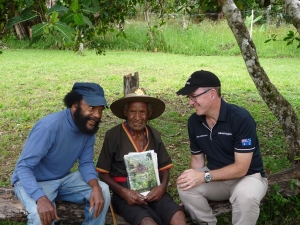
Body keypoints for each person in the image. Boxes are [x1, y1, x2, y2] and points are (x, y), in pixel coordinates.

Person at [176, 70, 268, 225]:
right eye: (189, 98)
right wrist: (193, 183)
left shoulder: (241, 119)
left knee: (247, 197)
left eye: (193, 96)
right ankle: (206, 222)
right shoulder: (194, 122)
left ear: (212, 93)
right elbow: (197, 161)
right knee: (185, 184)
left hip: (248, 177)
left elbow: (241, 168)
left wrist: (203, 177)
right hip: (217, 177)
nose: (190, 102)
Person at [11, 82, 111, 225]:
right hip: (34, 181)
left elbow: (86, 163)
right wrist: (41, 198)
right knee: (40, 216)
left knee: (103, 190)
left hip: (62, 180)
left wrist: (95, 187)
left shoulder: (88, 128)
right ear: (75, 105)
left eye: (100, 110)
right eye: (92, 108)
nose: (96, 115)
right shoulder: (48, 127)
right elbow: (24, 167)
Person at [96, 88, 186, 225]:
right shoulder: (113, 136)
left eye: (142, 112)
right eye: (132, 111)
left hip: (154, 191)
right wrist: (123, 192)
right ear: (125, 112)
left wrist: (162, 187)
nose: (137, 117)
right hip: (125, 195)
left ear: (149, 113)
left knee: (178, 215)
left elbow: (164, 168)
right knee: (147, 222)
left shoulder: (154, 134)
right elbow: (102, 173)